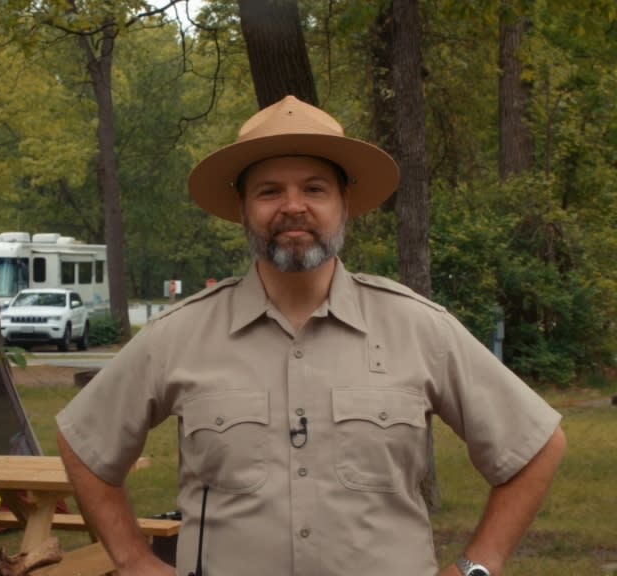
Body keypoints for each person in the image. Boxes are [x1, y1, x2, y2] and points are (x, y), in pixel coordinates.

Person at [55, 95, 566, 576]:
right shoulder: (178, 336)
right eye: (269, 191)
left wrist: (477, 567)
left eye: (314, 189)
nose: (293, 207)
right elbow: (84, 440)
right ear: (242, 209)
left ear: (345, 203)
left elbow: (536, 445)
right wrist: (132, 560)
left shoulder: (418, 327)